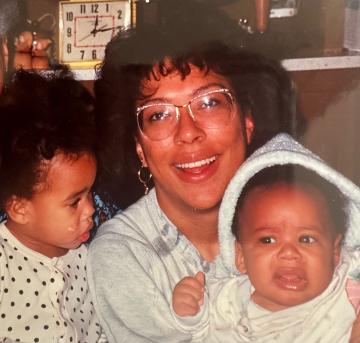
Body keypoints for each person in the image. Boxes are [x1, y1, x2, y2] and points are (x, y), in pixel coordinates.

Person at [86, 1, 306, 340]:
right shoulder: (123, 256)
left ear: (248, 122)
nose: (188, 132)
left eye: (209, 102)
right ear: (139, 148)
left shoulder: (298, 216)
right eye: (158, 114)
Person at [172, 133, 360, 342]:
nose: (289, 253)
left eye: (306, 239)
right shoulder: (226, 302)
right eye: (268, 240)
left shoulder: (345, 287)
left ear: (334, 252)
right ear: (240, 256)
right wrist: (189, 312)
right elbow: (197, 333)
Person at [0, 69, 107, 342]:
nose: (91, 209)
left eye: (90, 193)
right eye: (74, 202)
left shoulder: (87, 261)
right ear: (20, 208)